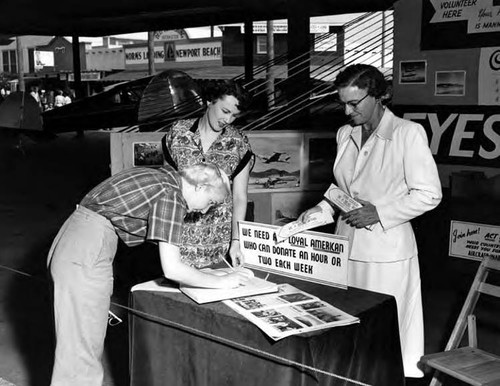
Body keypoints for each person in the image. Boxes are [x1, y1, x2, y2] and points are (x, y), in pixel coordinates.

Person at [47, 162, 252, 386]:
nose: (204, 211)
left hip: (76, 240)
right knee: (80, 359)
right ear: (200, 187)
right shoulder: (171, 195)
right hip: (88, 250)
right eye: (210, 203)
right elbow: (172, 268)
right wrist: (221, 282)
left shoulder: (161, 177)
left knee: (77, 350)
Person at [297, 64, 442, 378]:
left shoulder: (407, 133)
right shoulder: (344, 133)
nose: (348, 111)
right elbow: (343, 190)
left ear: (380, 96)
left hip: (386, 253)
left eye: (355, 103)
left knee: (387, 335)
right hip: (345, 247)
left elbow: (429, 194)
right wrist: (320, 209)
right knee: (347, 327)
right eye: (343, 103)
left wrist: (380, 213)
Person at [162, 79, 254, 269]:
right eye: (225, 111)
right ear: (209, 101)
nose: (227, 120)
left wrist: (236, 242)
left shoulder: (239, 143)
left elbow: (239, 197)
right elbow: (167, 188)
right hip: (178, 240)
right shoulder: (178, 133)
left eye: (234, 116)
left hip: (218, 245)